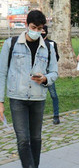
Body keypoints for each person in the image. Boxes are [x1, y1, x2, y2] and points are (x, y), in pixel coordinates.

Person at [0, 10, 58, 168]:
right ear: (26, 25)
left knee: (36, 138)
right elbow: (2, 73)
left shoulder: (48, 47)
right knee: (23, 139)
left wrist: (45, 78)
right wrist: (0, 101)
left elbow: (54, 72)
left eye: (40, 29)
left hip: (38, 97)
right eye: (34, 27)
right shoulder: (11, 44)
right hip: (17, 98)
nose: (36, 32)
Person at [41, 25, 61, 125]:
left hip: (48, 73)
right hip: (38, 73)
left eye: (43, 30)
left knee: (53, 95)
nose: (42, 32)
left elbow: (56, 57)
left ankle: (56, 115)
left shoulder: (52, 44)